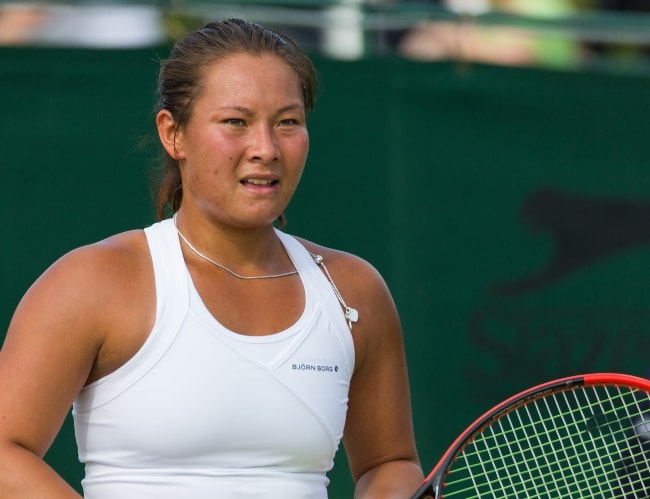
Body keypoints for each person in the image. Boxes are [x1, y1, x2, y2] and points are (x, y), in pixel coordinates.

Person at [0, 18, 423, 498]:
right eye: (235, 122)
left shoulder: (354, 291)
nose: (265, 149)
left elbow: (391, 462)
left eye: (287, 122)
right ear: (173, 133)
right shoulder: (92, 281)